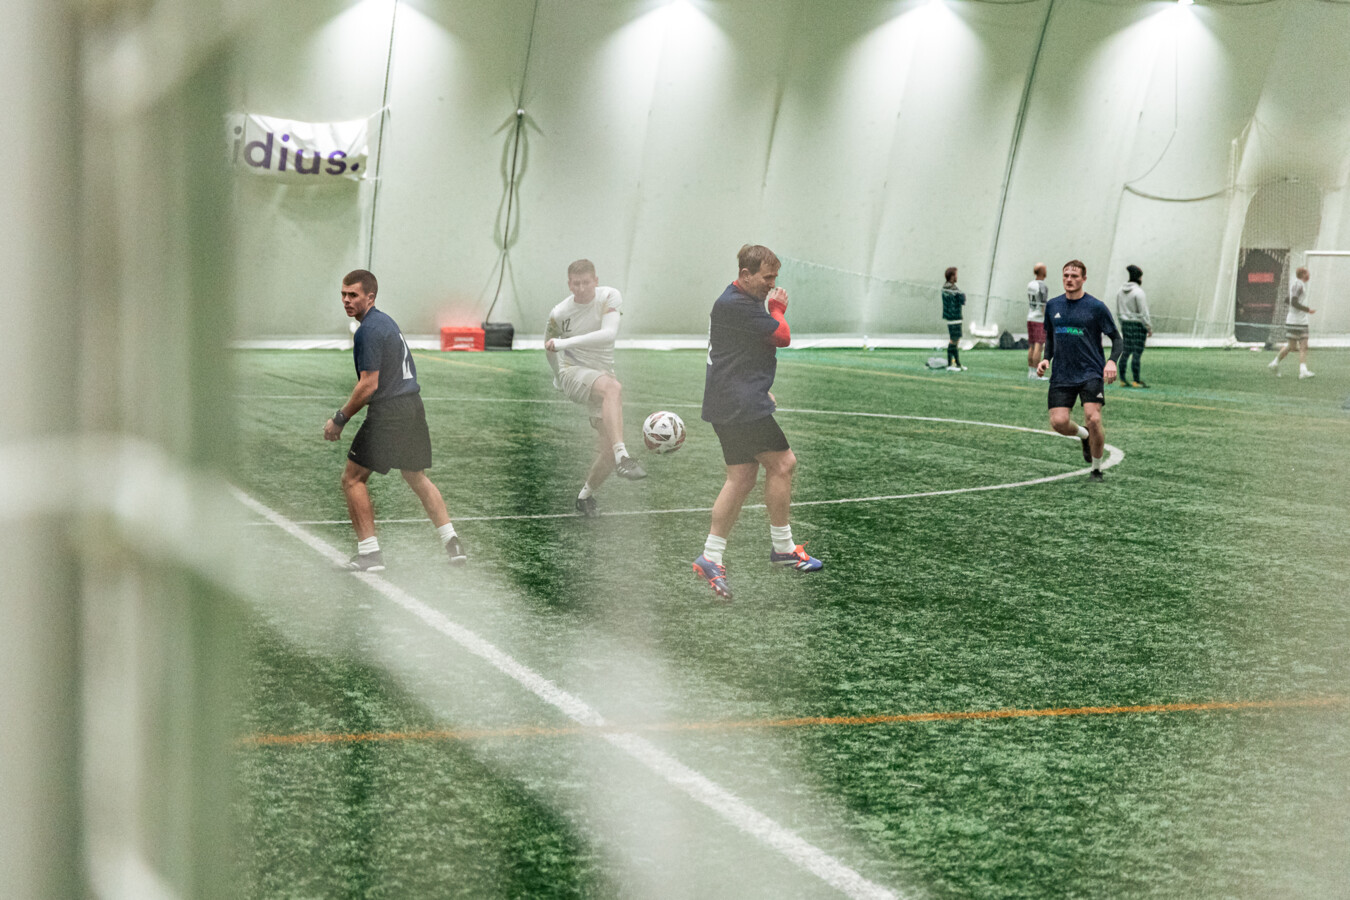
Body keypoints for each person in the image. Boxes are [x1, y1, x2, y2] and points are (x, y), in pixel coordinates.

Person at [692, 244, 822, 601]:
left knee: (742, 477)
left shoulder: (736, 301)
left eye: (775, 278)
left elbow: (742, 352)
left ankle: (710, 556)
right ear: (745, 275)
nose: (772, 284)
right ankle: (783, 548)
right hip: (739, 406)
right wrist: (777, 309)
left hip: (730, 401)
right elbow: (782, 336)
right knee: (783, 464)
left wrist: (758, 389)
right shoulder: (737, 304)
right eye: (767, 277)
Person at [323, 269, 466, 571]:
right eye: (343, 295)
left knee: (353, 479)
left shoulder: (368, 330)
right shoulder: (385, 322)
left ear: (370, 297)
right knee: (415, 476)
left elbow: (368, 385)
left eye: (353, 295)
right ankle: (452, 542)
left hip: (390, 412)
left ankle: (369, 554)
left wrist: (340, 418)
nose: (346, 300)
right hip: (413, 406)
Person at [544, 259, 646, 517]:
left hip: (602, 374)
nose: (581, 288)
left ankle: (585, 496)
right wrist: (558, 377)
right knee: (613, 389)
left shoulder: (609, 297)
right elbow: (549, 347)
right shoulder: (559, 313)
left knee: (608, 448)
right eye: (576, 284)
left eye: (586, 282)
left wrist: (565, 343)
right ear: (569, 284)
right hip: (573, 372)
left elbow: (608, 334)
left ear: (595, 281)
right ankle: (624, 458)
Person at [1035, 260, 1123, 482]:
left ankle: (1096, 469)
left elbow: (1116, 338)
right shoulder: (1053, 305)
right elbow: (1051, 337)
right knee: (1059, 422)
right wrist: (1045, 359)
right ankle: (1084, 435)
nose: (1069, 279)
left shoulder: (1096, 307)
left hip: (1090, 372)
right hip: (1062, 374)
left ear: (1084, 279)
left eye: (1074, 276)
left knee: (1094, 418)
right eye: (1066, 275)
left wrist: (1112, 361)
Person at [1269, 267, 1316, 379]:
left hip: (1291, 320)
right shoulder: (1299, 285)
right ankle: (1303, 371)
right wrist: (1307, 310)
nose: (1309, 275)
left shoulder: (1295, 284)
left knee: (1291, 346)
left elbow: (1288, 300)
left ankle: (1274, 363)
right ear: (1303, 274)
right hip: (1300, 321)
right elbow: (1294, 302)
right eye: (1307, 273)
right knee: (1303, 346)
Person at [1115, 264, 1152, 388]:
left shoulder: (1120, 291)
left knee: (1125, 352)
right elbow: (1143, 312)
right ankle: (1136, 380)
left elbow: (1118, 311)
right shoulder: (1139, 292)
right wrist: (1148, 326)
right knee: (1137, 353)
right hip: (1138, 325)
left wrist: (1122, 323)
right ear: (1138, 277)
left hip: (1126, 324)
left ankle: (1122, 379)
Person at [941, 266, 967, 371]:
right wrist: (961, 296)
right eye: (955, 275)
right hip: (953, 318)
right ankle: (950, 364)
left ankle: (957, 363)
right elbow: (961, 299)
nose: (957, 277)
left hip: (956, 317)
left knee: (956, 340)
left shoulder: (953, 288)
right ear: (951, 276)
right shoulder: (949, 289)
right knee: (953, 340)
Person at [1026, 263, 1049, 379]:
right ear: (1042, 272)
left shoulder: (1030, 284)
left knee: (1031, 345)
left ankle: (1030, 372)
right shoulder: (1042, 286)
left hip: (1030, 316)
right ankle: (1036, 373)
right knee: (1038, 345)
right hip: (1039, 318)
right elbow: (1043, 304)